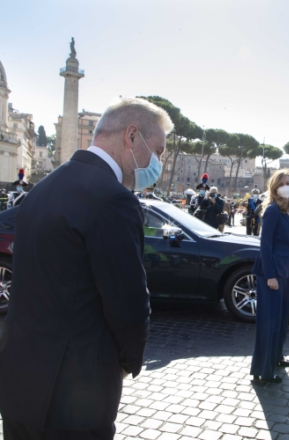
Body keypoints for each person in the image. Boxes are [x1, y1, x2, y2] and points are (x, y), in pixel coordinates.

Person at [0, 97, 172, 439]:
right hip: (74, 399)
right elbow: (129, 305)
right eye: (160, 151)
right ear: (132, 136)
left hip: (20, 387)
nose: (160, 162)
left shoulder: (43, 188)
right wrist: (124, 363)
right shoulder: (113, 199)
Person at [250, 169, 289, 383]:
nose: (286, 186)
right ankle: (263, 371)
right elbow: (265, 244)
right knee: (269, 321)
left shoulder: (287, 211)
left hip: (285, 271)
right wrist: (270, 275)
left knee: (281, 318)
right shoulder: (271, 210)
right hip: (272, 273)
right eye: (281, 183)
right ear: (274, 187)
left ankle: (276, 358)